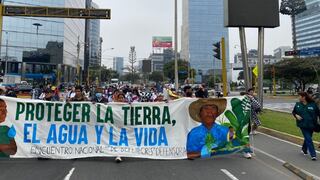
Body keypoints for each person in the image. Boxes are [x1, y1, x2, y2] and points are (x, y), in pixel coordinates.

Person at [186, 99, 251, 159]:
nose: (209, 112)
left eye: (213, 108)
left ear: (217, 113)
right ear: (200, 113)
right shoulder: (194, 133)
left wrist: (244, 145)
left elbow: (236, 143)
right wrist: (207, 152)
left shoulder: (226, 131)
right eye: (206, 108)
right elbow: (189, 154)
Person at [292, 92, 319, 161]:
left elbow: (319, 113)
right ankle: (313, 155)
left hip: (312, 125)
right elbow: (293, 112)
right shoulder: (298, 105)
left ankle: (304, 149)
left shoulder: (313, 105)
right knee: (309, 139)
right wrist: (296, 115)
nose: (298, 97)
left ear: (303, 97)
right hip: (303, 125)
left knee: (308, 138)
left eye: (299, 96)